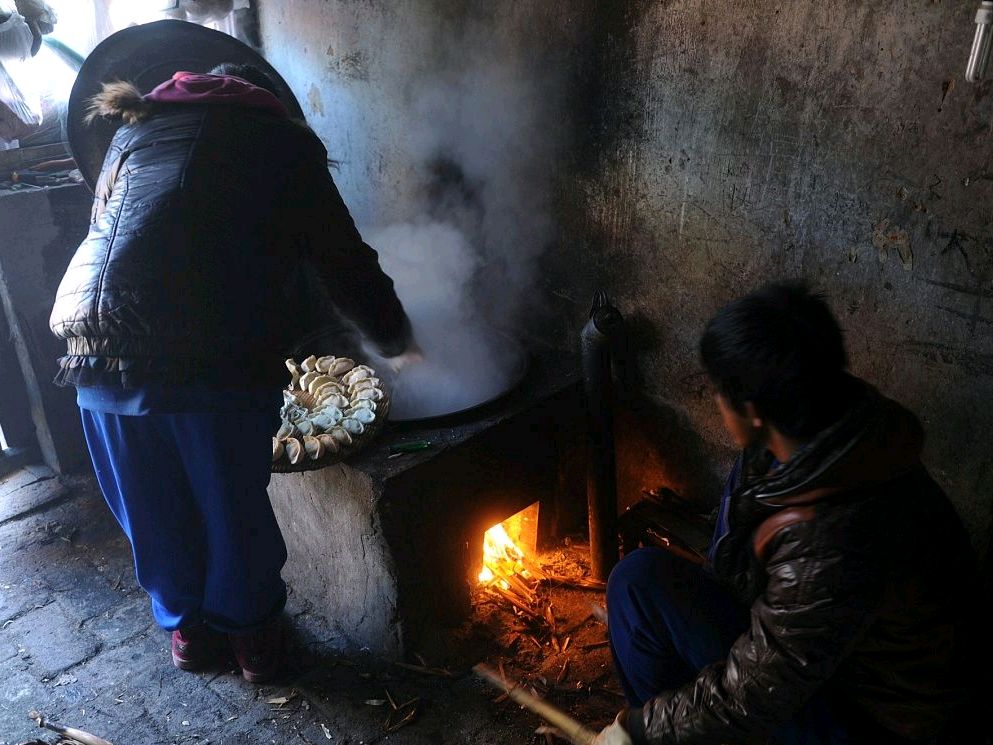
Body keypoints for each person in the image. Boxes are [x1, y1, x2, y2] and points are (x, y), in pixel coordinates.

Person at [49, 63, 418, 683]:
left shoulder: (132, 131)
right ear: (266, 102)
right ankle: (255, 645)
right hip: (206, 360)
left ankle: (189, 636)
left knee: (152, 506)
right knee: (230, 508)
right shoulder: (282, 142)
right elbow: (342, 258)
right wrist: (396, 339)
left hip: (91, 348)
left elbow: (130, 242)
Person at [595, 283, 979, 744]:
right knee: (638, 582)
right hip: (824, 665)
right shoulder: (814, 430)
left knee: (650, 646)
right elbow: (740, 583)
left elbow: (761, 691)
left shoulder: (835, 534)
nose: (715, 401)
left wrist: (640, 730)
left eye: (718, 391)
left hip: (872, 720)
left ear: (752, 410)